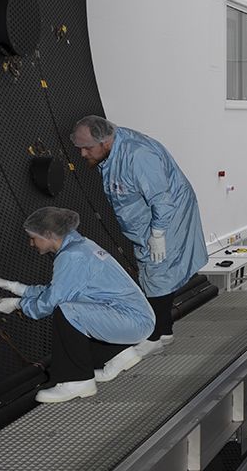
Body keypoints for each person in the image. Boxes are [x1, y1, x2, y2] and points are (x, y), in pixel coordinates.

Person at [0, 206, 155, 403]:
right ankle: (119, 355)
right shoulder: (80, 246)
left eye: (33, 237)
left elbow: (50, 303)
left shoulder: (72, 256)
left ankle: (77, 381)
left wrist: (17, 304)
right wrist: (12, 286)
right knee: (72, 306)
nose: (31, 243)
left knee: (66, 311)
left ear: (48, 234)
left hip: (133, 321)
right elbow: (58, 289)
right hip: (133, 317)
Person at [71, 115, 208, 357]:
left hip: (166, 218)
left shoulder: (138, 155)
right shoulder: (113, 150)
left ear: (104, 142)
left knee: (157, 272)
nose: (83, 154)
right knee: (156, 273)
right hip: (147, 221)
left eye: (87, 148)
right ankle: (164, 331)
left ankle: (153, 337)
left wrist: (158, 234)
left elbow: (161, 200)